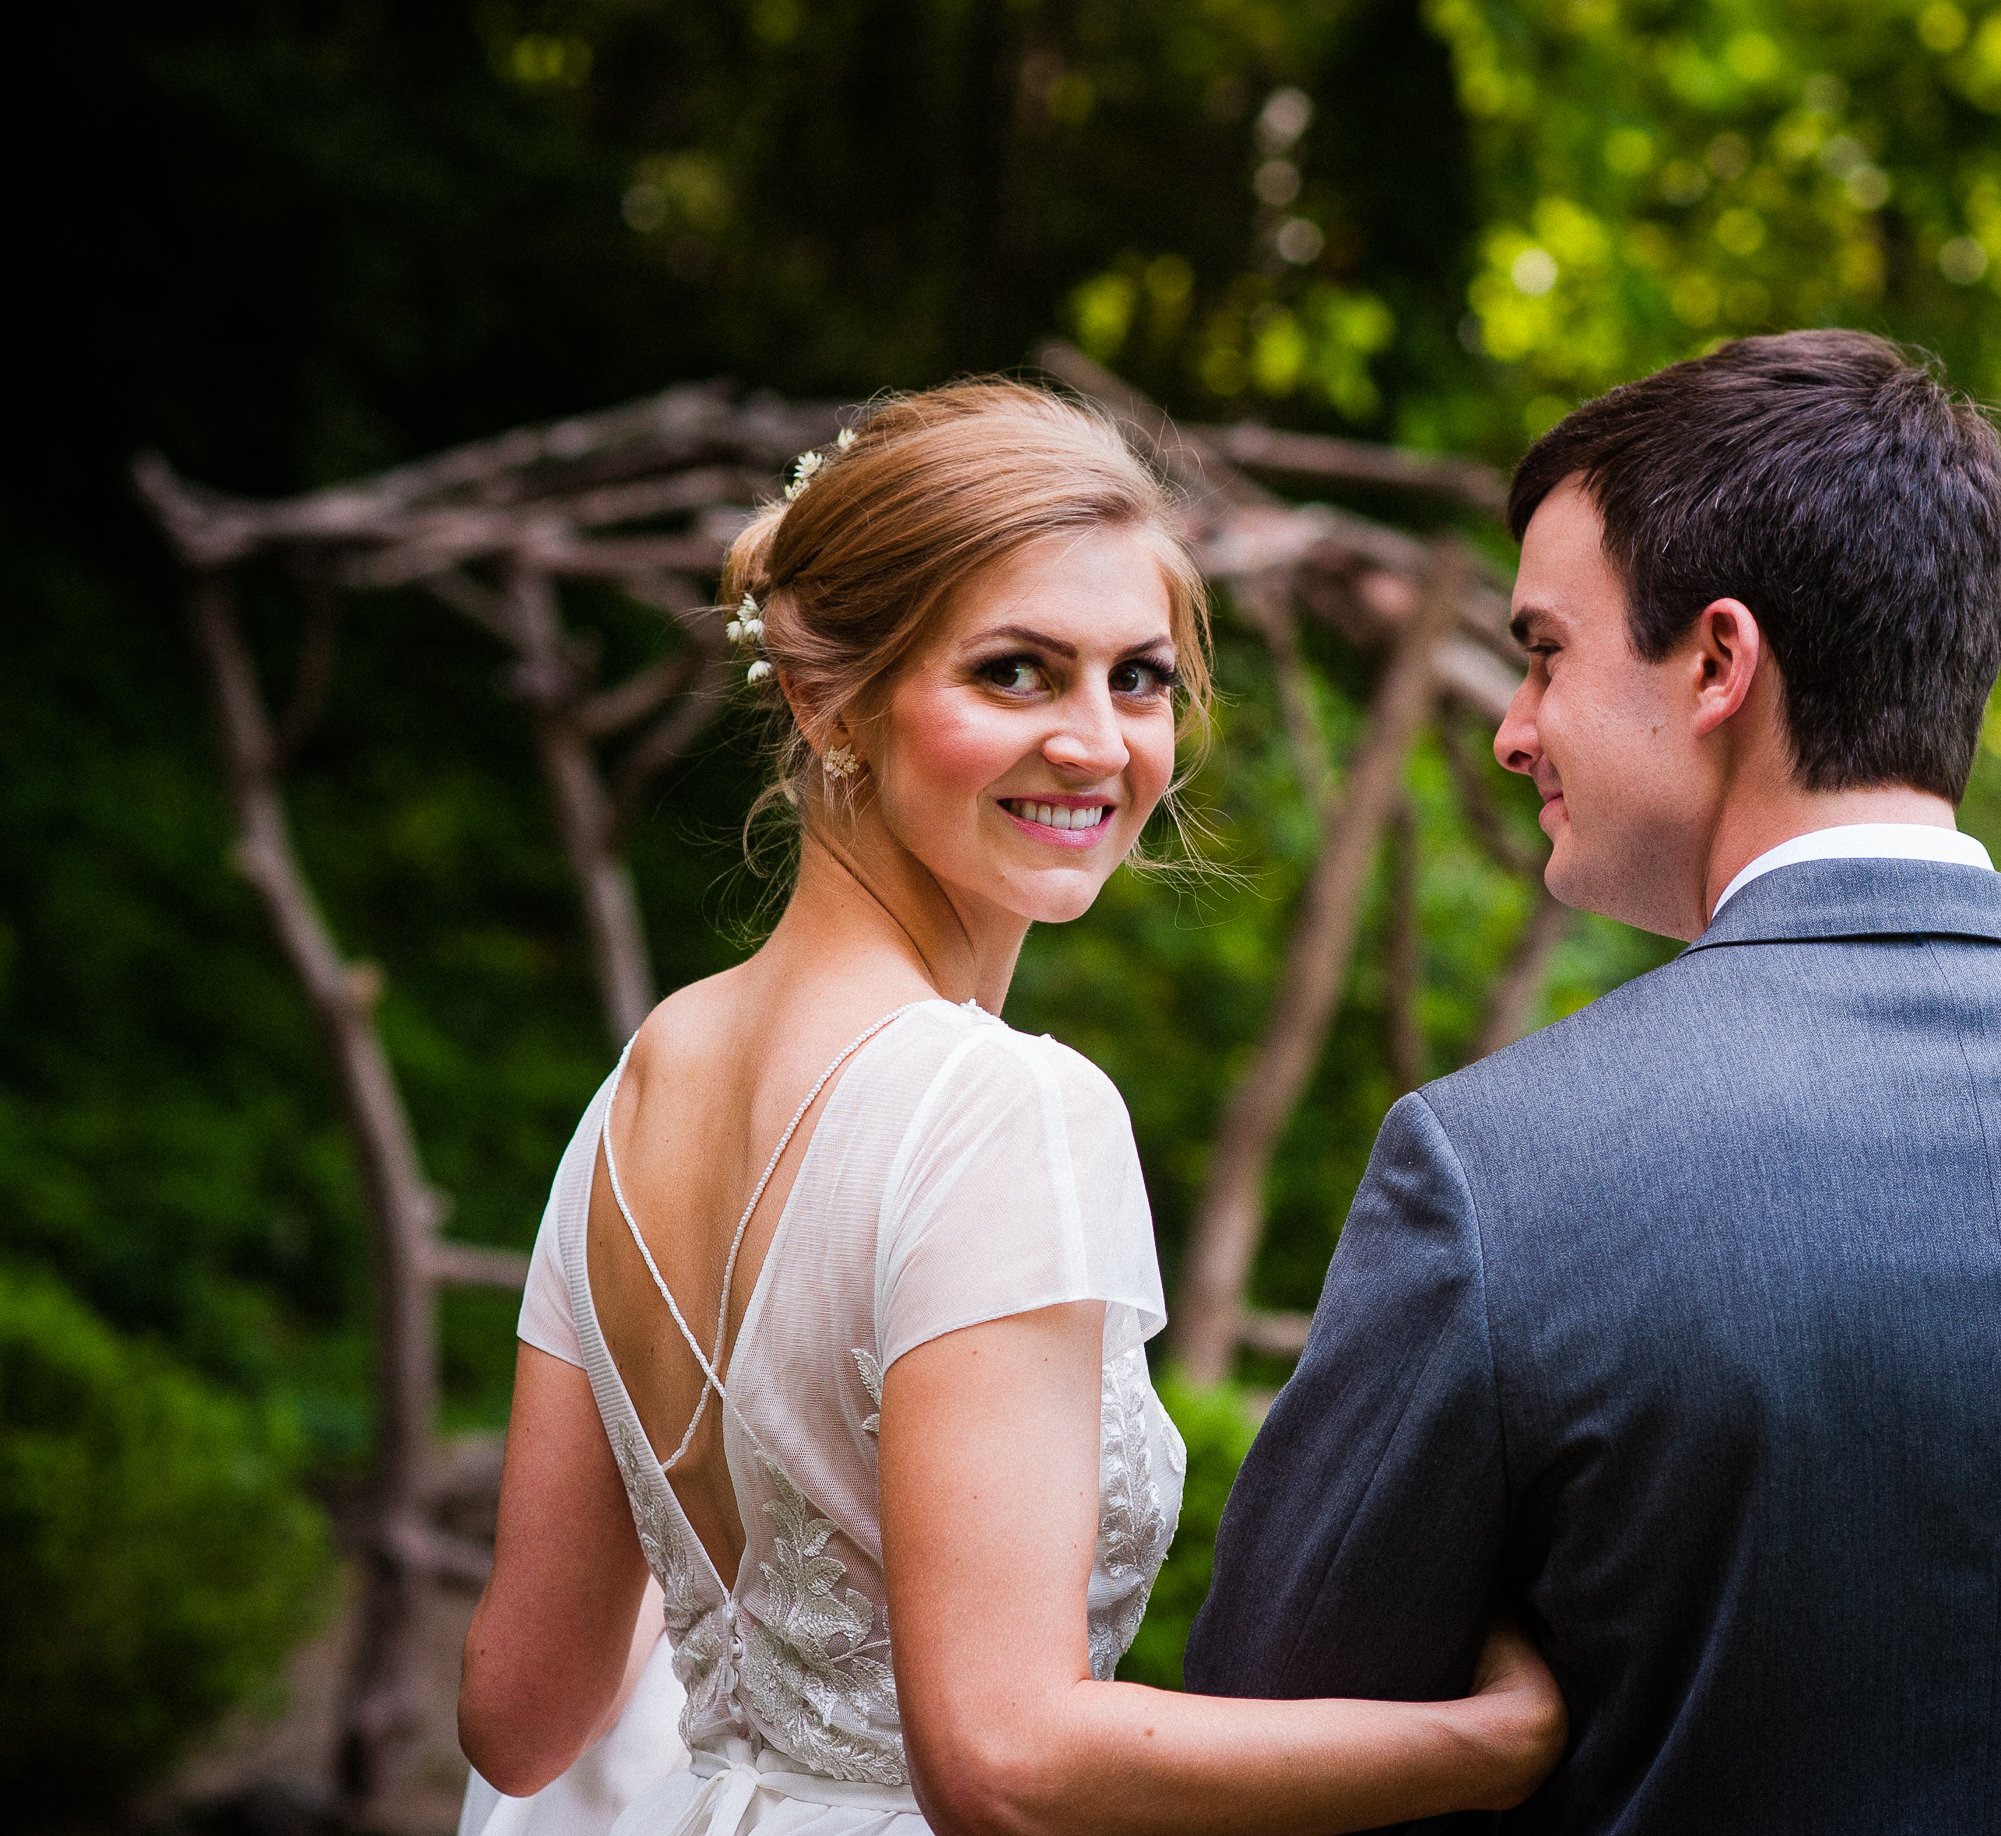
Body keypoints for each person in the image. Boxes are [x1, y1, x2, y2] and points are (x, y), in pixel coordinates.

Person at [1187, 330, 2001, 1832]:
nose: (1511, 724)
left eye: (1546, 651)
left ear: (1721, 661)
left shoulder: (1502, 1174)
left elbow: (1261, 1773)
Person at [458, 380, 1563, 1836]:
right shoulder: (998, 1106)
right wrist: (1484, 1748)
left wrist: (783, 1672)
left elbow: (518, 1717)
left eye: (1139, 678)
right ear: (823, 695)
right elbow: (1006, 1765)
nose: (1101, 745)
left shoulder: (638, 1091)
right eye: (1017, 674)